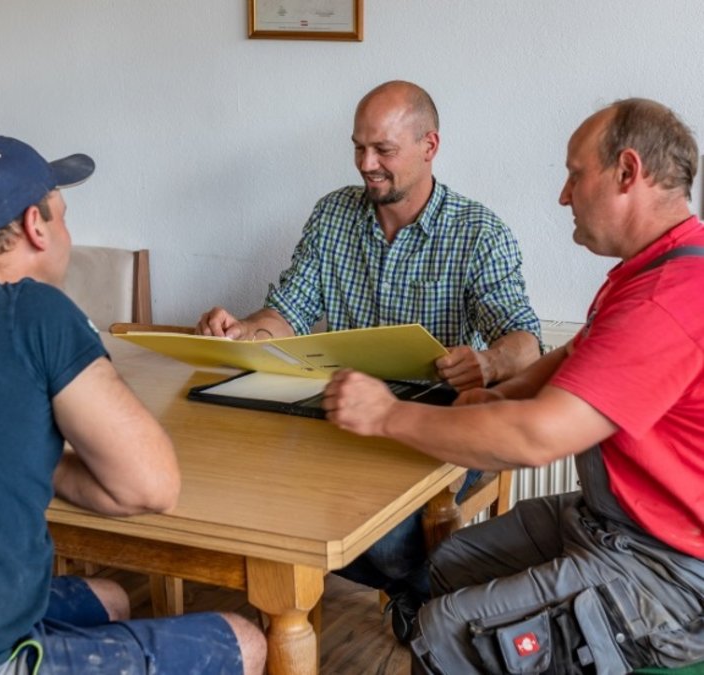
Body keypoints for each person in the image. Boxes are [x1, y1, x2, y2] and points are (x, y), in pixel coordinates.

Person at [0, 136, 266, 675]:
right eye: (62, 216)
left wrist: (16, 447)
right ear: (36, 225)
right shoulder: (34, 310)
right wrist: (44, 455)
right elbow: (153, 487)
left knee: (109, 597)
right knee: (245, 638)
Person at [323, 98, 704, 674]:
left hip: (667, 570)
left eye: (575, 174)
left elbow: (536, 439)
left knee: (440, 632)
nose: (564, 194)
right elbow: (576, 354)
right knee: (447, 564)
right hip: (610, 522)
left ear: (628, 172)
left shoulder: (666, 299)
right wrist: (501, 395)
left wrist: (384, 416)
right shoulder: (649, 271)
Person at [197, 80, 542, 640]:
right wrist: (241, 332)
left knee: (386, 539)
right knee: (256, 497)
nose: (366, 163)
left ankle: (416, 588)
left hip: (440, 423)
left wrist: (488, 362)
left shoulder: (479, 232)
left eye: (383, 150)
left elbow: (524, 339)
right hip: (346, 412)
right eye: (359, 147)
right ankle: (413, 589)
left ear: (429, 146)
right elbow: (287, 312)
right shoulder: (333, 214)